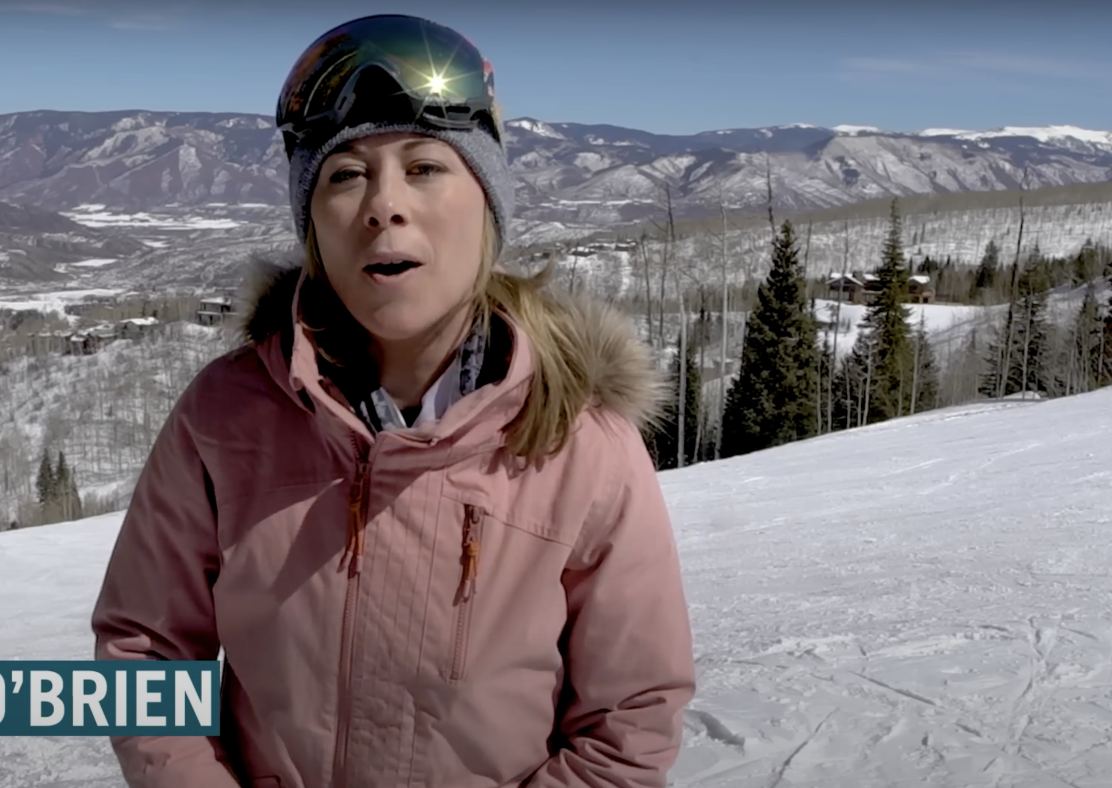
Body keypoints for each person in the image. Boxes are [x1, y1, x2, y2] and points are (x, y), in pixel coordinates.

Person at [91, 13, 696, 788]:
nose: (384, 205)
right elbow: (146, 652)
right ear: (313, 224)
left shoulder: (580, 442)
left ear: (487, 203)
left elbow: (630, 719)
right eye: (343, 176)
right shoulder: (226, 416)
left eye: (424, 168)